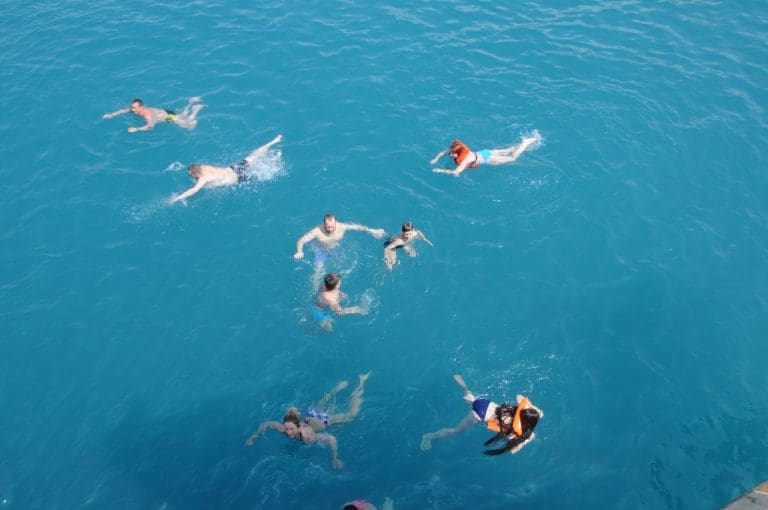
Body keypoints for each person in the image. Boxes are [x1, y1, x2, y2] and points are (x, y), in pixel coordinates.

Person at [246, 373, 371, 469]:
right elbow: (267, 424)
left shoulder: (305, 435)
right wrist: (254, 436)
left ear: (299, 426)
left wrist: (335, 458)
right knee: (323, 401)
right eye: (287, 429)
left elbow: (331, 439)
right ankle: (338, 388)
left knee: (352, 415)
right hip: (311, 414)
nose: (288, 432)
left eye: (291, 429)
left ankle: (361, 383)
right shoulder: (283, 429)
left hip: (323, 419)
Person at [420, 374, 542, 455]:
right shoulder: (513, 428)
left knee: (473, 400)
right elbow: (513, 450)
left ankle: (464, 388)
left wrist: (532, 408)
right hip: (479, 414)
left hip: (484, 403)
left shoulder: (515, 410)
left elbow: (519, 396)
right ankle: (429, 437)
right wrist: (528, 439)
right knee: (455, 431)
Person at [169, 135, 282, 203]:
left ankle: (275, 160)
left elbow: (194, 190)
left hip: (238, 178)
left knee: (259, 175)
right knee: (253, 156)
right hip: (234, 168)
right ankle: (273, 142)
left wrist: (177, 198)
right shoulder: (204, 166)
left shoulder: (203, 178)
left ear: (196, 174)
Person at [430, 132, 541, 176]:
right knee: (509, 150)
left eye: (453, 154)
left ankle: (526, 142)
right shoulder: (456, 150)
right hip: (484, 153)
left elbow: (455, 172)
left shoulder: (465, 160)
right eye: (452, 153)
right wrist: (436, 159)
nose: (451, 155)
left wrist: (441, 170)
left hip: (488, 158)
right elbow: (444, 152)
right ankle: (527, 142)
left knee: (512, 158)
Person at [294, 213, 386, 261]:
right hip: (321, 250)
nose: (329, 229)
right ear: (323, 224)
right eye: (327, 227)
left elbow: (357, 227)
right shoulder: (317, 231)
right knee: (318, 271)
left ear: (336, 222)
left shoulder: (342, 226)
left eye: (332, 226)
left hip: (336, 248)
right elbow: (301, 240)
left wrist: (372, 230)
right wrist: (299, 251)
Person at [103, 97, 205, 132]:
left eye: (135, 108)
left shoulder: (147, 114)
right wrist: (112, 115)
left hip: (167, 117)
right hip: (163, 113)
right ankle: (191, 102)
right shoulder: (136, 110)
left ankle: (195, 108)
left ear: (141, 107)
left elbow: (150, 126)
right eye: (132, 107)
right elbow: (123, 110)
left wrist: (136, 129)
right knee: (182, 115)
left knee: (189, 125)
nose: (133, 110)